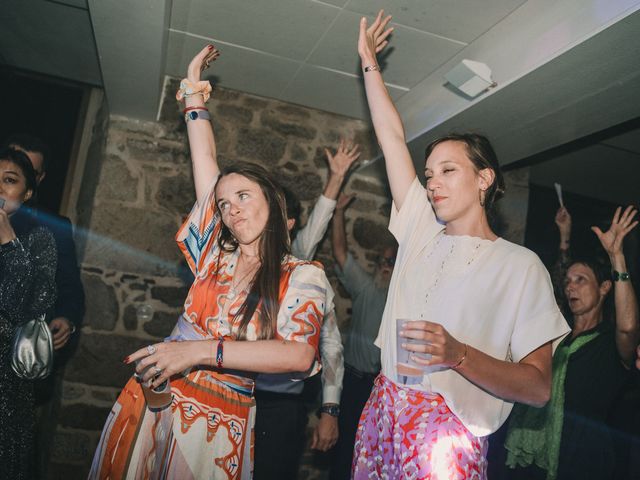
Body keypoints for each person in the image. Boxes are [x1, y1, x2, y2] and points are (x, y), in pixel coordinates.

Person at [89, 45, 333, 479]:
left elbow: (298, 356)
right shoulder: (212, 256)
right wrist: (193, 95)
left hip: (217, 424)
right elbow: (205, 165)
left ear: (274, 204)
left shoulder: (302, 275)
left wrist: (199, 351)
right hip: (154, 397)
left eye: (243, 197)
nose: (231, 209)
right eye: (224, 204)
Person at [352, 10, 570, 478]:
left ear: (484, 179)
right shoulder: (418, 231)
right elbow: (392, 140)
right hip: (382, 412)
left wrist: (458, 355)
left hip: (446, 435)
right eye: (428, 175)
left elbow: (537, 388)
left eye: (448, 170)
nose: (432, 183)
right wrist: (370, 65)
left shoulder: (520, 265)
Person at [505, 205, 640, 480]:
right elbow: (553, 286)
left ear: (604, 288)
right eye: (569, 282)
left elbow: (628, 328)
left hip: (582, 461)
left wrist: (616, 257)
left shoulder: (607, 344)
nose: (571, 287)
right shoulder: (555, 337)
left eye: (581, 280)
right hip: (531, 460)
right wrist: (564, 237)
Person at [252, 141, 358, 479]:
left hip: (280, 406)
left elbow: (330, 343)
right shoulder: (235, 264)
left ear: (288, 223)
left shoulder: (300, 267)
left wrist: (330, 409)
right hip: (229, 397)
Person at [3, 133, 86, 476]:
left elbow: (50, 293)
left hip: (10, 373)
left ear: (33, 185)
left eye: (13, 177)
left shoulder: (44, 235)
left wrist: (67, 317)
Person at [329, 192, 396, 480]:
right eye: (381, 260)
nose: (384, 265)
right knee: (343, 453)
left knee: (375, 457)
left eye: (391, 262)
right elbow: (341, 252)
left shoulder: (408, 299)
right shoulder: (366, 289)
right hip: (355, 384)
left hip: (383, 390)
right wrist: (338, 212)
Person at [0, 147, 57, 479]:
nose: (0, 189)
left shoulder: (39, 239)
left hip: (7, 386)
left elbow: (27, 308)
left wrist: (9, 244)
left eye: (9, 180)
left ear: (28, 192)